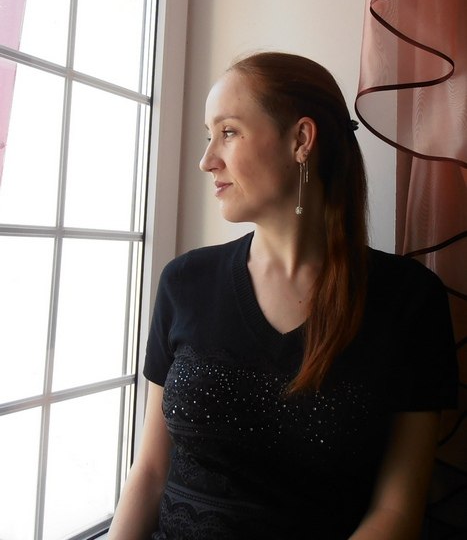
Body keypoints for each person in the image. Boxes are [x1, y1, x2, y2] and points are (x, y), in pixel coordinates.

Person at [108, 51, 458, 540]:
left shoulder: (408, 301)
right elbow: (149, 472)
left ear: (301, 140)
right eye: (210, 136)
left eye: (229, 132)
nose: (207, 160)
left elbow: (397, 509)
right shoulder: (185, 282)